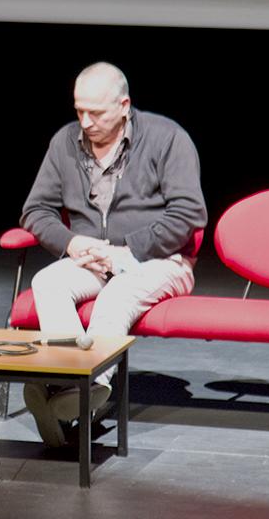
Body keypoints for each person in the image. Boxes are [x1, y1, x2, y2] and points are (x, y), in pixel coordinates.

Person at [19, 62, 207, 447]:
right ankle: (70, 386)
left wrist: (127, 251)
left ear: (124, 105)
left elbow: (189, 213)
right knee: (47, 281)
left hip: (161, 259)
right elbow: (35, 210)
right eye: (79, 111)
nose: (85, 122)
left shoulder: (167, 138)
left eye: (96, 113)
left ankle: (87, 390)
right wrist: (73, 244)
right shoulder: (65, 142)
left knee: (115, 297)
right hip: (92, 258)